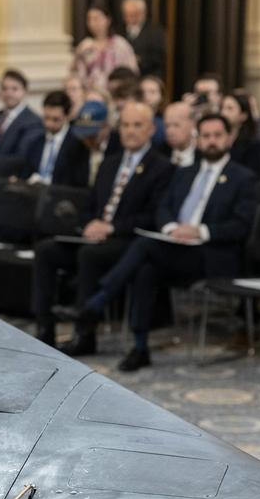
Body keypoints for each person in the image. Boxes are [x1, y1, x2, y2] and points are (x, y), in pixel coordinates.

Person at [57, 113, 256, 371]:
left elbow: (241, 225)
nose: (211, 141)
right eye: (206, 136)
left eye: (217, 136)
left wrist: (200, 231)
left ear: (229, 138)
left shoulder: (243, 177)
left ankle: (98, 302)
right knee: (145, 269)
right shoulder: (186, 172)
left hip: (213, 254)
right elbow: (164, 209)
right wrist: (173, 228)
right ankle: (140, 347)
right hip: (175, 247)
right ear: (198, 139)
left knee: (144, 247)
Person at [34, 101, 174, 354]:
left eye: (137, 125)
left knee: (90, 255)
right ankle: (44, 328)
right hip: (95, 236)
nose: (130, 131)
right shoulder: (110, 163)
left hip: (127, 240)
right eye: (126, 125)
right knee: (46, 250)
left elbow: (153, 217)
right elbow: (91, 204)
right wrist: (89, 224)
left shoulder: (162, 168)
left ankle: (84, 333)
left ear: (151, 129)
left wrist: (110, 227)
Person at [23, 90, 89, 187]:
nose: (49, 124)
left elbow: (77, 182)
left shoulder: (78, 144)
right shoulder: (36, 142)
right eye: (46, 118)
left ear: (67, 116)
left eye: (55, 119)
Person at [71, 5, 138, 92]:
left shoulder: (120, 44)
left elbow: (131, 70)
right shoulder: (85, 45)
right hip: (91, 92)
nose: (93, 23)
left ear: (108, 20)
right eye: (90, 19)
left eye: (97, 18)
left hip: (117, 92)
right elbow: (77, 71)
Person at [0, 69, 43, 161]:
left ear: (25, 92)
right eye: (4, 88)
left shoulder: (33, 122)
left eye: (14, 89)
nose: (8, 93)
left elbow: (22, 156)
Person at [220, 92, 260, 177]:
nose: (223, 113)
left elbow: (252, 174)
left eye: (229, 109)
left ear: (243, 115)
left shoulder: (252, 143)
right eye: (222, 108)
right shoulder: (216, 137)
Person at [120, 0, 166, 78]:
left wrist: (138, 60)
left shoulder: (155, 32)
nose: (129, 18)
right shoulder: (118, 30)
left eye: (133, 14)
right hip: (125, 77)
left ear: (143, 13)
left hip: (147, 75)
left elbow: (157, 57)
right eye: (127, 14)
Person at [161, 101, 197, 167]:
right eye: (167, 126)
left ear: (192, 124)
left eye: (176, 125)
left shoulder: (203, 155)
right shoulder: (160, 153)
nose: (170, 131)